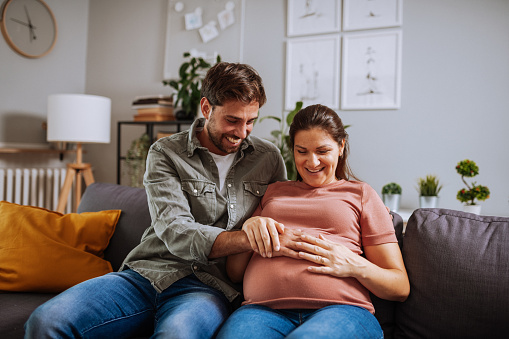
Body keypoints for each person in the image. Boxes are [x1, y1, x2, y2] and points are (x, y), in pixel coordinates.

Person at [25, 62, 288, 339]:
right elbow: (175, 230)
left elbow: (286, 213)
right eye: (232, 120)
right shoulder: (166, 152)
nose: (242, 132)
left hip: (208, 287)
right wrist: (247, 238)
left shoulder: (267, 158)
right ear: (207, 108)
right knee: (46, 321)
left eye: (251, 121)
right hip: (147, 273)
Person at [217, 104, 410, 339]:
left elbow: (400, 287)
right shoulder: (272, 193)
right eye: (302, 151)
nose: (312, 162)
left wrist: (354, 264)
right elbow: (234, 272)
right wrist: (248, 231)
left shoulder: (361, 194)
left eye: (322, 151)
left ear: (341, 146)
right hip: (260, 311)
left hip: (341, 312)